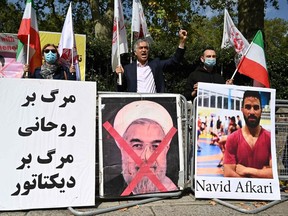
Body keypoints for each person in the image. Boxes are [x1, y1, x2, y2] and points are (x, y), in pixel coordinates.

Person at [104, 100, 178, 196]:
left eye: (156, 147)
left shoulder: (174, 189)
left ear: (166, 149)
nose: (147, 157)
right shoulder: (110, 190)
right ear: (122, 148)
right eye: (137, 146)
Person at [115, 29, 187, 93]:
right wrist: (119, 76)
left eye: (146, 48)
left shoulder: (156, 64)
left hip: (153, 105)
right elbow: (121, 90)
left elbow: (174, 61)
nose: (144, 50)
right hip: (136, 105)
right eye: (141, 48)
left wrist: (182, 42)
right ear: (135, 52)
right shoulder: (128, 69)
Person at [224, 90, 272, 178]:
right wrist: (262, 173)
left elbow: (273, 173)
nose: (252, 112)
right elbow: (228, 173)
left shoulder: (270, 138)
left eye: (256, 108)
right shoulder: (232, 138)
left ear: (261, 110)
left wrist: (247, 170)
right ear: (242, 110)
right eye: (248, 107)